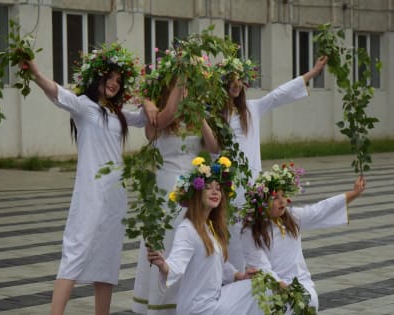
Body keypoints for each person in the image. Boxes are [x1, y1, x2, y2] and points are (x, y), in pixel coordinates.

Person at [21, 43, 151, 315]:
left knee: (107, 259)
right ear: (97, 78)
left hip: (115, 197)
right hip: (90, 193)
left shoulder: (118, 114)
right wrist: (34, 71)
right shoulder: (83, 106)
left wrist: (150, 98)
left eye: (119, 80)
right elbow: (55, 92)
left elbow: (149, 118)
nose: (114, 84)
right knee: (75, 252)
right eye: (109, 78)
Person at [216, 56, 329, 271]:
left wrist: (312, 73)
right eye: (231, 79)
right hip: (226, 184)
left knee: (248, 232)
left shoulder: (252, 109)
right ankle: (230, 279)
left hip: (251, 183)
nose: (236, 85)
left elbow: (279, 95)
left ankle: (251, 278)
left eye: (240, 80)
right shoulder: (214, 115)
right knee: (229, 230)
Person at [132, 51, 220, 315]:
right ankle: (161, 305)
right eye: (180, 87)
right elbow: (165, 116)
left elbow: (215, 148)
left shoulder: (195, 117)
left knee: (188, 242)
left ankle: (188, 300)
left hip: (192, 189)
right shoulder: (155, 118)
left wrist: (200, 115)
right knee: (168, 241)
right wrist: (178, 75)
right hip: (165, 188)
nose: (184, 92)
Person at [239, 163, 366, 311]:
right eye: (275, 198)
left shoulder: (292, 217)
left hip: (300, 282)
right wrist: (282, 287)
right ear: (262, 201)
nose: (282, 201)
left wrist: (354, 193)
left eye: (284, 196)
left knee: (310, 301)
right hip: (270, 286)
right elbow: (261, 266)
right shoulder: (251, 230)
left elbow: (321, 209)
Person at [147, 155, 263, 315]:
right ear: (197, 193)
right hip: (198, 307)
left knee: (258, 287)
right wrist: (163, 265)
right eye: (208, 187)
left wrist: (240, 276)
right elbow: (176, 264)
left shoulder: (210, 227)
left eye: (218, 188)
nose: (215, 191)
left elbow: (220, 266)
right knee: (256, 295)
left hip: (214, 301)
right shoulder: (188, 229)